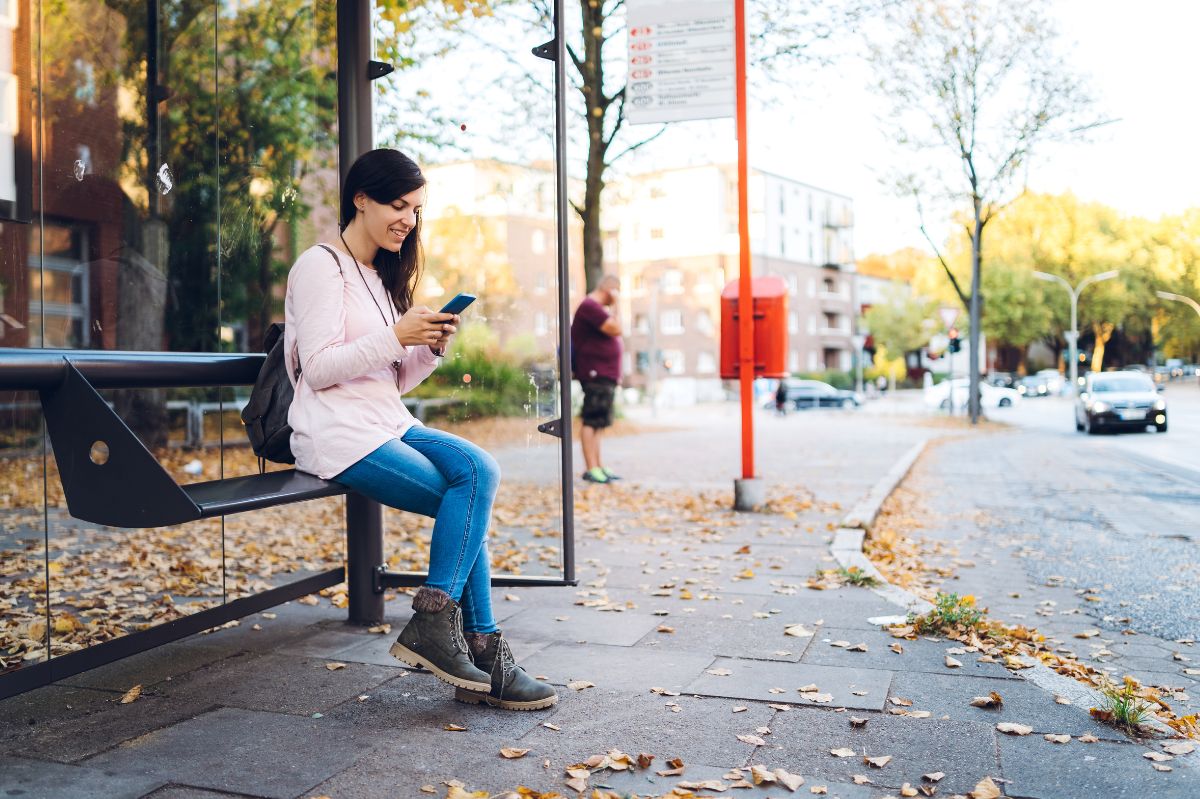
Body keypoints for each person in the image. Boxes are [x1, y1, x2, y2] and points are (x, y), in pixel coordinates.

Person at [283, 149, 556, 711]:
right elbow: (319, 369)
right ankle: (478, 650)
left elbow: (389, 380)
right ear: (361, 199)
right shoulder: (320, 266)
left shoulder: (379, 278)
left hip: (387, 421)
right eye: (397, 204)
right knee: (467, 508)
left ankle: (453, 636)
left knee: (479, 471)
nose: (408, 219)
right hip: (337, 433)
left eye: (415, 209)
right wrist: (396, 335)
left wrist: (426, 348)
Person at [570, 275, 622, 484]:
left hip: (604, 373)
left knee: (599, 421)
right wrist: (618, 305)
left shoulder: (595, 309)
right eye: (617, 292)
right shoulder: (590, 306)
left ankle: (598, 465)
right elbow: (616, 328)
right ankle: (591, 468)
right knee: (591, 419)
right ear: (610, 290)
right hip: (595, 372)